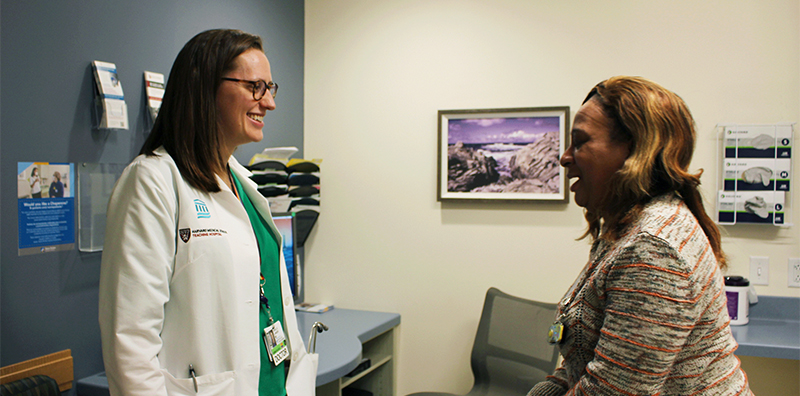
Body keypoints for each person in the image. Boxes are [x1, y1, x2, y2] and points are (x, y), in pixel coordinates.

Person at [99, 29, 317, 396]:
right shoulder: (153, 182)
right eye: (255, 87)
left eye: (270, 88)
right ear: (205, 88)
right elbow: (130, 345)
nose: (269, 103)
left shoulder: (244, 186)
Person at [528, 76, 752, 395]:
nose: (564, 157)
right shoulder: (624, 226)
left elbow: (611, 391)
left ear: (635, 151)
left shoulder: (653, 248)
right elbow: (585, 357)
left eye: (580, 142)